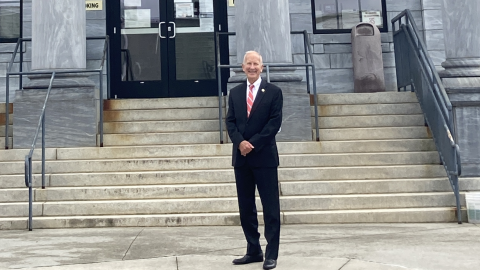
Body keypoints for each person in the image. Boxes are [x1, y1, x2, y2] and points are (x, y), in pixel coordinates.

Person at [226, 51, 283, 270]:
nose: (252, 67)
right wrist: (240, 143)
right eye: (248, 63)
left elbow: (274, 123)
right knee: (246, 206)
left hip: (264, 157)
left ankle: (271, 253)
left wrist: (253, 143)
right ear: (242, 67)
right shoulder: (235, 93)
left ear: (262, 67)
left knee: (270, 207)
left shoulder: (274, 92)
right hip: (242, 158)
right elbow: (230, 122)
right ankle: (253, 249)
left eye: (256, 64)